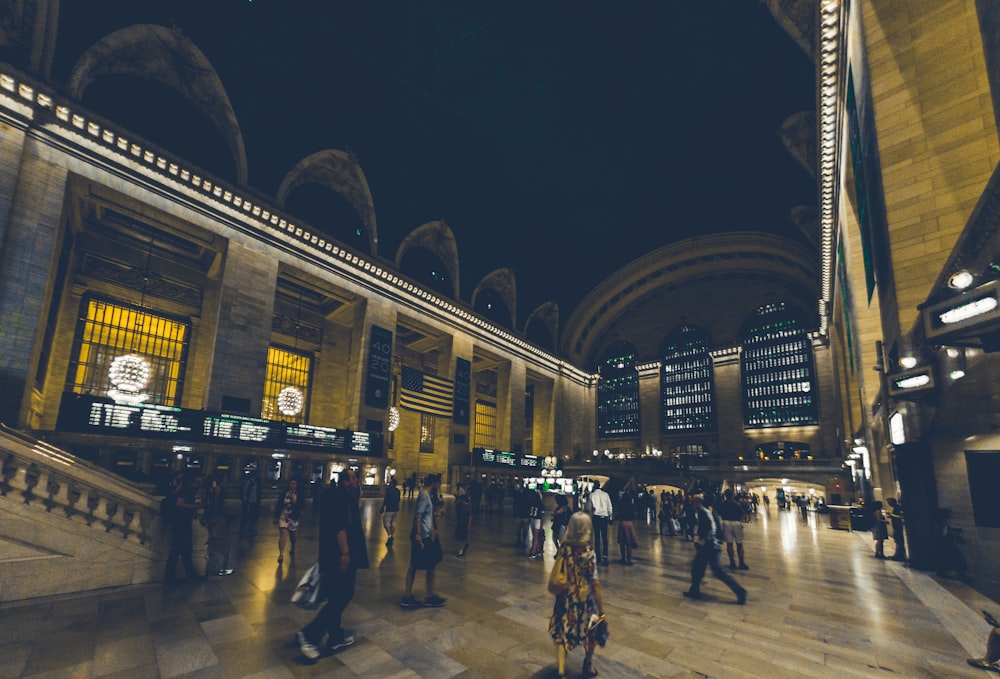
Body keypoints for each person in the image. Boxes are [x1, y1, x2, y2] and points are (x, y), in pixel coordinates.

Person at [297, 468, 370, 660]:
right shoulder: (342, 499)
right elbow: (340, 527)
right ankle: (310, 635)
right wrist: (345, 554)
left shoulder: (338, 496)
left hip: (332, 556)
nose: (357, 481)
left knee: (336, 596)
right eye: (354, 478)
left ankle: (336, 636)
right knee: (342, 597)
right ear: (345, 481)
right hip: (340, 557)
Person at [549, 512, 607, 679]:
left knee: (562, 632)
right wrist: (601, 610)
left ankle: (561, 671)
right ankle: (587, 664)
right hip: (583, 599)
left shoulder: (564, 548)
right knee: (592, 632)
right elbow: (595, 582)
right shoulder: (588, 553)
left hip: (564, 597)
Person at [683, 494, 747, 604]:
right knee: (697, 568)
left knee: (717, 571)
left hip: (710, 546)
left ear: (698, 502)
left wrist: (704, 540)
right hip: (709, 545)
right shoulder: (704, 511)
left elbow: (712, 528)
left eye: (693, 502)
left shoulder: (704, 512)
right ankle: (694, 589)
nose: (692, 504)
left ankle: (740, 591)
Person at [400, 474, 446, 608]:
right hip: (422, 536)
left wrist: (435, 515)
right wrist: (418, 534)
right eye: (438, 484)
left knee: (431, 563)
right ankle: (409, 596)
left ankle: (428, 595)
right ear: (435, 484)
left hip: (426, 535)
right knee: (415, 564)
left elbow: (425, 514)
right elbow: (418, 516)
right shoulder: (424, 496)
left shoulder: (426, 496)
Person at [164, 471, 205, 583]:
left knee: (183, 549)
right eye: (201, 477)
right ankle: (172, 576)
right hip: (181, 521)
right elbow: (180, 503)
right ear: (196, 478)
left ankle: (188, 574)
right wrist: (197, 506)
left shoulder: (183, 486)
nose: (202, 480)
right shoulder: (187, 488)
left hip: (179, 521)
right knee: (179, 549)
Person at [273, 478, 304, 564]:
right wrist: (276, 516)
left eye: (294, 483)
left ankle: (293, 546)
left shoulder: (299, 494)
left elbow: (301, 506)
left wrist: (294, 501)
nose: (292, 485)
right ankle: (281, 554)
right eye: (291, 483)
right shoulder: (283, 494)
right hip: (283, 516)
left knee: (292, 535)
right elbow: (279, 504)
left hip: (293, 517)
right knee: (283, 534)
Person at [718, 489, 749, 570]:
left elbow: (720, 513)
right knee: (739, 544)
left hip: (726, 522)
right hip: (736, 522)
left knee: (729, 544)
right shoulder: (736, 504)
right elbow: (743, 514)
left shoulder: (722, 504)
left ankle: (732, 562)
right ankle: (741, 563)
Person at [587, 481, 613, 566]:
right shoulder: (606, 494)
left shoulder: (592, 495)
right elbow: (610, 507)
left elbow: (589, 508)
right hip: (604, 517)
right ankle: (605, 556)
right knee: (605, 537)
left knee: (597, 538)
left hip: (596, 517)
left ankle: (598, 558)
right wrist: (610, 517)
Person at [615, 481, 637, 566]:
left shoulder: (622, 506)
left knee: (622, 543)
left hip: (623, 524)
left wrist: (612, 521)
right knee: (629, 543)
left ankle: (623, 559)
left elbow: (618, 515)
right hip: (630, 524)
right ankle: (629, 559)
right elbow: (633, 516)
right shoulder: (631, 507)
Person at [379, 477, 401, 547]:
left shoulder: (388, 491)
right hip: (396, 509)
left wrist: (382, 507)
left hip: (389, 509)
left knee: (386, 523)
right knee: (393, 523)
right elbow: (398, 500)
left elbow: (386, 499)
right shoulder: (398, 491)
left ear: (392, 484)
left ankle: (389, 536)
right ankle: (391, 536)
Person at [239, 470, 261, 537]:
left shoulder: (256, 483)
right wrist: (246, 502)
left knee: (254, 516)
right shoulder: (249, 482)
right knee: (246, 516)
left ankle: (250, 528)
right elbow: (245, 492)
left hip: (254, 502)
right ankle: (243, 529)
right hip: (249, 502)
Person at [454, 483, 473, 557]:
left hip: (465, 524)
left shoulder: (468, 507)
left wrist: (468, 525)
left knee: (463, 537)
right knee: (458, 537)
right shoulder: (460, 506)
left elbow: (470, 516)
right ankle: (463, 546)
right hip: (460, 523)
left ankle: (461, 551)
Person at [527, 485, 546, 559]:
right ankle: (536, 550)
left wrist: (541, 525)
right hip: (533, 520)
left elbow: (542, 516)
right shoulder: (532, 504)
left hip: (537, 520)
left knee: (535, 537)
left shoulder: (540, 505)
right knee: (535, 536)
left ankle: (533, 551)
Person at [886, 497, 906, 561]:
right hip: (896, 526)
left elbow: (900, 517)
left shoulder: (898, 507)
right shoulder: (895, 507)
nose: (889, 504)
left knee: (899, 540)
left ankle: (900, 555)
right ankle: (898, 554)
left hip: (898, 527)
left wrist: (891, 515)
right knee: (897, 540)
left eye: (889, 502)